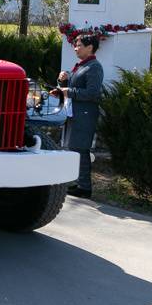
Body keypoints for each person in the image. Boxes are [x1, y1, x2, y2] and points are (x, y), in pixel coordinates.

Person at [51, 33, 104, 199]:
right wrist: (63, 81)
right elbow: (74, 87)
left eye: (79, 45)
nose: (75, 48)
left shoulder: (94, 67)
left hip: (86, 114)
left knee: (81, 149)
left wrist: (69, 91)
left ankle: (85, 187)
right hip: (76, 112)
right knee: (76, 148)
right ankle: (80, 184)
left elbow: (93, 93)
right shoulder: (82, 65)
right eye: (75, 45)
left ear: (90, 47)